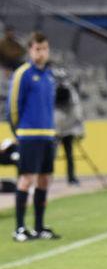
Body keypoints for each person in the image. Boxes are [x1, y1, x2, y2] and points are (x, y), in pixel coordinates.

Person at [6, 32, 60, 242]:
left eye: (45, 48)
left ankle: (39, 227)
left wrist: (52, 130)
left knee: (45, 180)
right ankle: (20, 228)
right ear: (30, 50)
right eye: (37, 49)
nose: (41, 53)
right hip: (29, 136)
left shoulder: (49, 76)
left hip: (47, 135)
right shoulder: (23, 74)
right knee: (26, 179)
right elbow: (13, 107)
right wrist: (18, 132)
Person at [54, 76, 85, 185]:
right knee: (52, 155)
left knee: (69, 155)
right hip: (57, 129)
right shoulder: (55, 95)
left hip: (67, 129)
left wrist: (79, 130)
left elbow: (78, 113)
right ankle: (46, 177)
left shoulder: (71, 95)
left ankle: (71, 178)